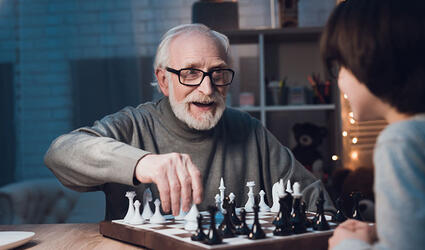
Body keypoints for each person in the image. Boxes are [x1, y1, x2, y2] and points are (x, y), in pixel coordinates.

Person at [45, 24, 333, 220]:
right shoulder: (133, 125)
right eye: (191, 73)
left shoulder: (251, 131)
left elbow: (316, 201)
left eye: (218, 73)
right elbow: (59, 153)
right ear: (164, 81)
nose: (207, 90)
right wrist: (141, 163)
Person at [321, 0, 425, 249]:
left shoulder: (399, 141)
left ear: (371, 60)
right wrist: (384, 230)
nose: (339, 80)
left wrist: (347, 244)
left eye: (341, 66)